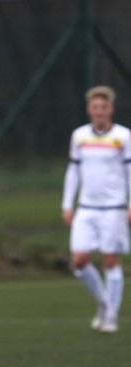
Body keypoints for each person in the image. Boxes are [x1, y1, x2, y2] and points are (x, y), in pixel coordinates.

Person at [61, 85, 131, 333]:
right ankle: (103, 303)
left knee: (111, 261)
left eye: (104, 107)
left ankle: (111, 314)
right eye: (95, 107)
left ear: (110, 109)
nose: (99, 111)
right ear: (89, 109)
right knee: (79, 260)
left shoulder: (123, 136)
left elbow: (129, 171)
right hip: (86, 208)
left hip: (113, 208)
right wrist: (67, 204)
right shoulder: (79, 136)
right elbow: (73, 171)